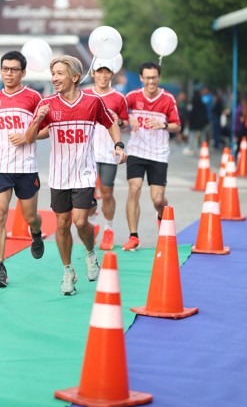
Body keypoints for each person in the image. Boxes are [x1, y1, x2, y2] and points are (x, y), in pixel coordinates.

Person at [25, 55, 126, 296]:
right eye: (53, 74)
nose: (54, 78)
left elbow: (110, 123)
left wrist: (118, 145)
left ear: (75, 76)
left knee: (80, 221)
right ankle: (68, 271)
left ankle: (90, 253)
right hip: (59, 175)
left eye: (60, 73)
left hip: (85, 173)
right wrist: (38, 119)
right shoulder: (47, 104)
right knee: (62, 224)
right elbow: (29, 138)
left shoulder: (92, 102)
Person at [0, 51, 45, 288]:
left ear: (23, 72)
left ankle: (36, 232)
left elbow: (46, 129)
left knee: (30, 217)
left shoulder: (34, 97)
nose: (9, 73)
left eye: (14, 69)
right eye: (5, 69)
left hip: (26, 166)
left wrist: (27, 137)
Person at [123, 60, 181, 251]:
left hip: (158, 153)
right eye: (147, 78)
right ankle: (133, 236)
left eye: (154, 78)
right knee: (134, 188)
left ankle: (161, 215)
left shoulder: (168, 99)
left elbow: (177, 126)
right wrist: (128, 118)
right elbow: (118, 115)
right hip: (137, 150)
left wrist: (163, 125)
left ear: (159, 77)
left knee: (158, 200)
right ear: (141, 78)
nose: (151, 82)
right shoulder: (132, 96)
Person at [82, 58, 129, 250]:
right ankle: (93, 223)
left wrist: (119, 121)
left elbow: (125, 123)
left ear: (112, 74)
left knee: (107, 193)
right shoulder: (84, 94)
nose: (103, 75)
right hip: (87, 153)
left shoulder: (118, 98)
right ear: (93, 73)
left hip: (109, 152)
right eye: (99, 71)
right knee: (88, 194)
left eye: (107, 72)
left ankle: (108, 229)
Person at [183, 90, 209, 155]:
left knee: (192, 135)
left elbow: (189, 114)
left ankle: (191, 148)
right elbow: (205, 114)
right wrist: (205, 122)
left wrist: (189, 121)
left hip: (193, 123)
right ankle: (203, 148)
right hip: (201, 123)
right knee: (202, 135)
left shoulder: (192, 104)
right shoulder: (202, 104)